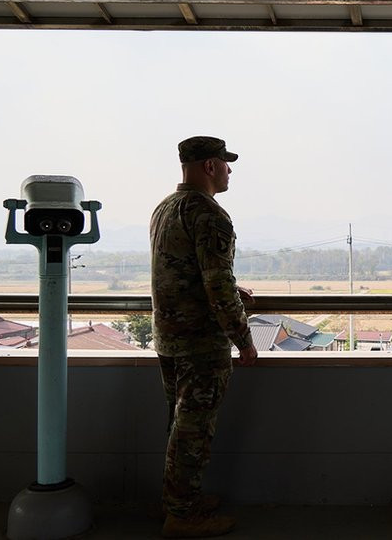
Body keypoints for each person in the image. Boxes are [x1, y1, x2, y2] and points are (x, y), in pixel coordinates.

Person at [150, 135, 258, 538]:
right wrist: (243, 339)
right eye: (225, 163)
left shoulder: (166, 208)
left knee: (180, 426)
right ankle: (183, 515)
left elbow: (185, 271)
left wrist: (234, 289)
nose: (229, 170)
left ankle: (178, 499)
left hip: (170, 336)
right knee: (194, 429)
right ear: (209, 166)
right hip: (199, 342)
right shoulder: (209, 214)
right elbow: (216, 283)